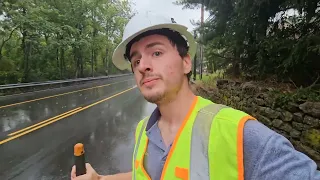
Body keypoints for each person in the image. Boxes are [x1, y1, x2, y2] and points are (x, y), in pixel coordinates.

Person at [71, 12, 320, 180]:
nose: (142, 65)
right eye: (136, 59)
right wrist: (101, 178)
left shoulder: (236, 132)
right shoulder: (142, 132)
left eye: (156, 53)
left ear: (186, 62)